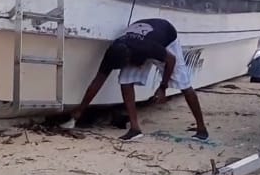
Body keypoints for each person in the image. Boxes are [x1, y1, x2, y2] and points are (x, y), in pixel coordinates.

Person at [61, 18, 209, 142]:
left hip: (166, 36)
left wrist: (163, 87)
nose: (128, 66)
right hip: (138, 38)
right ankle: (135, 128)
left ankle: (202, 130)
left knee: (184, 83)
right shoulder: (112, 52)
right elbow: (97, 82)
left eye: (128, 63)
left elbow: (171, 60)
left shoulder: (147, 48)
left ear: (130, 57)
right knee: (125, 80)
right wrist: (80, 110)